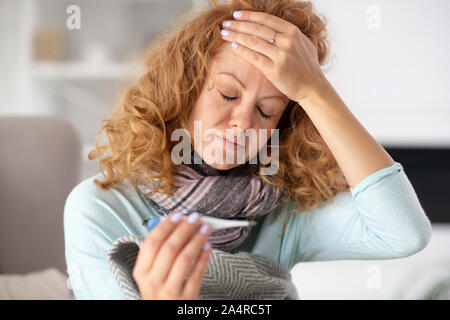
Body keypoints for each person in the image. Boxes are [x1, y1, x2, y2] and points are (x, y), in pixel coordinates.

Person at [63, 0, 432, 300]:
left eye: (266, 111)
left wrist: (314, 91)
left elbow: (403, 233)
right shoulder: (100, 210)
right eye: (227, 94)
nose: (243, 122)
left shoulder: (286, 217)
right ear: (184, 88)